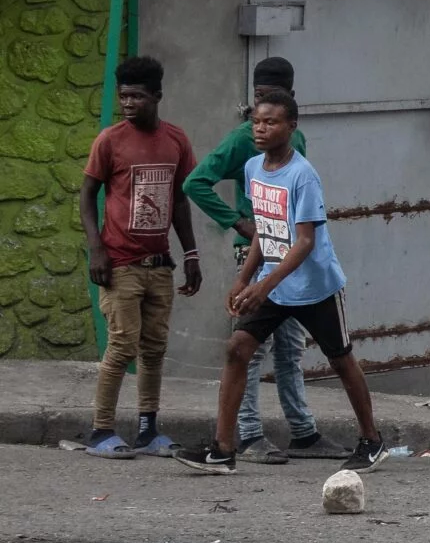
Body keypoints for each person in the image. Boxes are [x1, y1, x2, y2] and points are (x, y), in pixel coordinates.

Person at [176, 92, 385, 475]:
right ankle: (223, 449)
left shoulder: (303, 175)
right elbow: (265, 231)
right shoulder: (254, 167)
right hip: (273, 283)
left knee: (340, 359)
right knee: (238, 348)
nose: (260, 128)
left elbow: (304, 241)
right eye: (256, 120)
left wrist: (263, 285)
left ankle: (372, 440)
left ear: (291, 127)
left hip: (315, 287)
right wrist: (243, 279)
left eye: (270, 122)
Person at [182, 56, 329, 462]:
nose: (260, 119)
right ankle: (247, 435)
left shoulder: (295, 142)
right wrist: (239, 223)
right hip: (257, 252)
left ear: (289, 104)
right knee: (249, 346)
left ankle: (303, 433)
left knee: (290, 348)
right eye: (257, 103)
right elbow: (195, 182)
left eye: (270, 103)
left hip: (290, 254)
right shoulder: (242, 139)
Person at [80, 56, 200, 457]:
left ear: (157, 97)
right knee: (122, 346)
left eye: (137, 96)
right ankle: (101, 431)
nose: (129, 103)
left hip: (158, 263)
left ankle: (148, 431)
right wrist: (97, 250)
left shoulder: (176, 140)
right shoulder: (109, 140)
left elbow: (180, 199)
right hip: (120, 264)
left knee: (154, 348)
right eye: (124, 96)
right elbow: (85, 197)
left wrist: (192, 253)